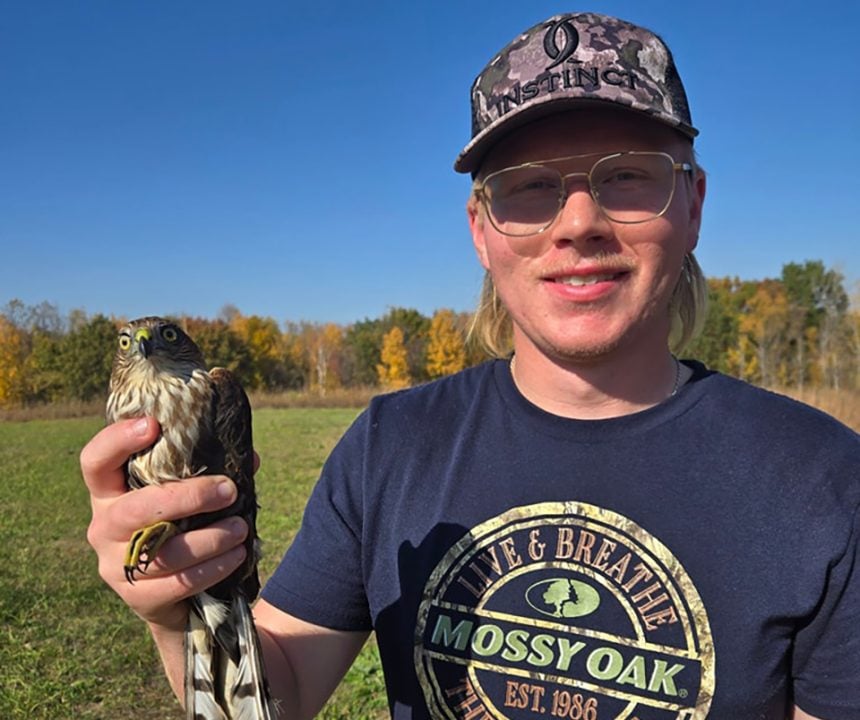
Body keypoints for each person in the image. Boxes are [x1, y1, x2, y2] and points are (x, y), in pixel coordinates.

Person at [81, 12, 859, 720]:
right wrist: (174, 606)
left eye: (626, 176)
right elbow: (270, 696)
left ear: (691, 205)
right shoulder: (388, 446)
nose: (578, 223)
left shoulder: (825, 481)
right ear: (481, 231)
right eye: (528, 190)